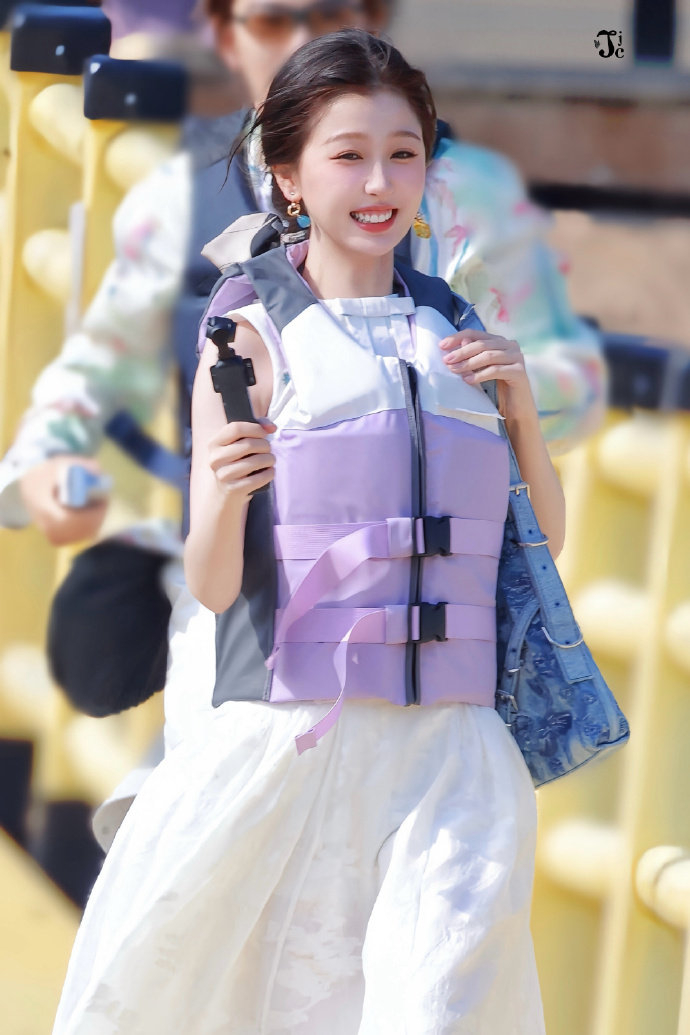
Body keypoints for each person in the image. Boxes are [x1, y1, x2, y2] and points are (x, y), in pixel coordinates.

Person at [52, 30, 561, 1033]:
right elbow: (211, 586)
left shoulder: (460, 336)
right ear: (287, 174)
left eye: (404, 154)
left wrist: (525, 421)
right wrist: (222, 491)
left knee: (439, 1008)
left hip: (452, 755)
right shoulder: (247, 336)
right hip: (295, 743)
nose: (380, 183)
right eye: (348, 155)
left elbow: (535, 551)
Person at [0, 0, 603, 841]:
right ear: (224, 34)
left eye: (328, 11)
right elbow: (98, 362)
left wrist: (489, 400)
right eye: (271, 20)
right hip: (257, 606)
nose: (303, 37)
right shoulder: (178, 194)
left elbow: (568, 376)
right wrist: (46, 467)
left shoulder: (473, 198)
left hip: (440, 664)